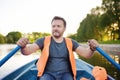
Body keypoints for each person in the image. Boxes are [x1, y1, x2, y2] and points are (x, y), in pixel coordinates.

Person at [17, 16, 99, 80]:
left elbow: (86, 54)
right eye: (53, 26)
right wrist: (23, 46)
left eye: (59, 26)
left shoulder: (71, 42)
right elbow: (27, 51)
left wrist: (91, 48)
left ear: (64, 29)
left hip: (66, 74)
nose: (55, 28)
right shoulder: (43, 40)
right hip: (47, 74)